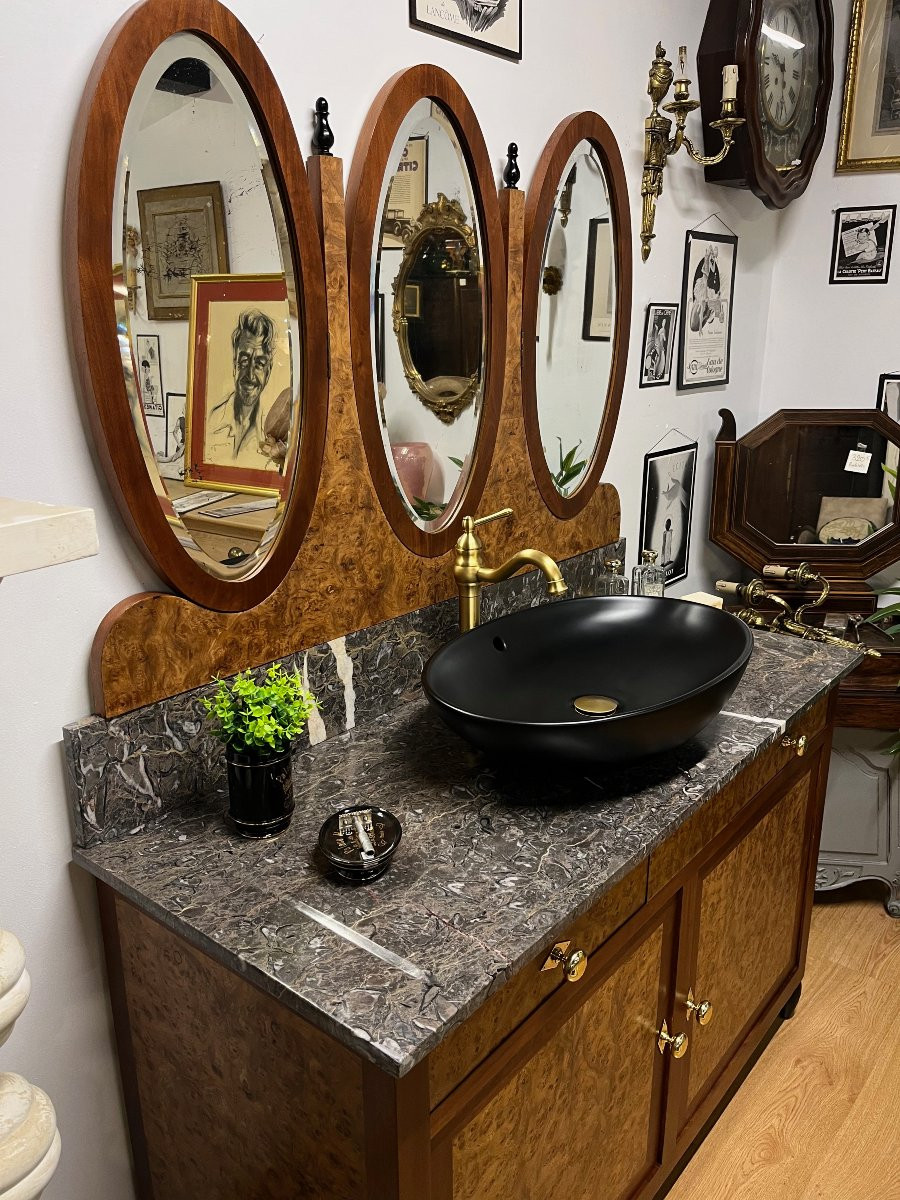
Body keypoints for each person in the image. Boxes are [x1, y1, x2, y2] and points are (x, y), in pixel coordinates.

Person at [207, 309, 277, 466]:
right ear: (234, 362)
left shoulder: (274, 433)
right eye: (244, 361)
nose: (250, 375)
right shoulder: (211, 420)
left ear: (269, 370)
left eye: (259, 364)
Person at [689, 244, 721, 334]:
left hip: (703, 297)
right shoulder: (706, 314)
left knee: (705, 277)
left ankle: (709, 257)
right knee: (706, 278)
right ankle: (710, 258)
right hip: (706, 297)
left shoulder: (703, 312)